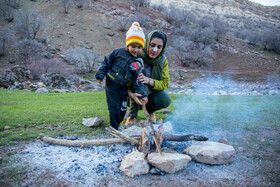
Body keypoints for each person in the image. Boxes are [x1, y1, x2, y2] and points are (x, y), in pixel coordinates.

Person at [95, 22, 148, 130]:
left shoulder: (138, 62)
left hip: (123, 86)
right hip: (111, 84)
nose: (136, 50)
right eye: (133, 46)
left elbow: (137, 80)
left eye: (139, 47)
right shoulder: (118, 52)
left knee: (123, 107)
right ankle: (113, 127)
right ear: (128, 44)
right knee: (114, 106)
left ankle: (118, 123)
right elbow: (106, 62)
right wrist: (100, 75)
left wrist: (141, 94)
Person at [126, 30, 171, 125]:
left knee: (165, 99)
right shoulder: (136, 54)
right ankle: (132, 116)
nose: (155, 50)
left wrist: (149, 80)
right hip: (131, 94)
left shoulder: (162, 60)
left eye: (159, 47)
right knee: (141, 87)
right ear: (147, 44)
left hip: (151, 93)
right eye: (152, 45)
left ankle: (150, 111)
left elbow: (165, 83)